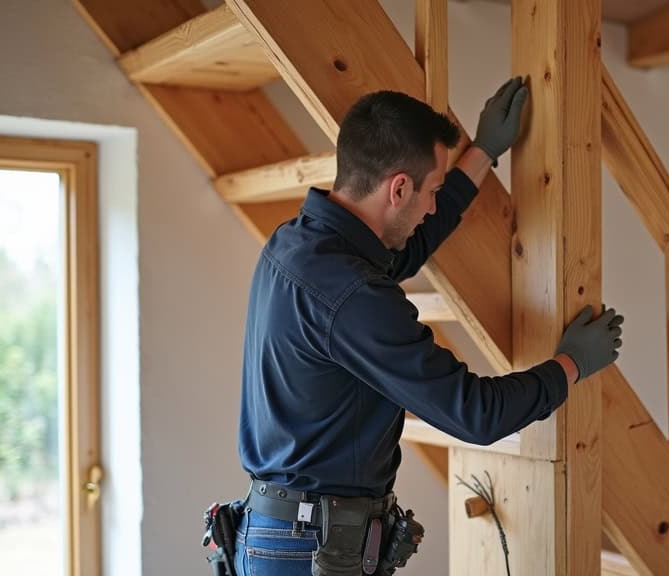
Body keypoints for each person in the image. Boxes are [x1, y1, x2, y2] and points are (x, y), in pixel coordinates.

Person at [233, 77, 624, 576]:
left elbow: (404, 250)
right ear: (399, 188)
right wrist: (571, 364)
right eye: (433, 192)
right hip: (308, 549)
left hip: (287, 534)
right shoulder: (353, 293)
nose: (434, 206)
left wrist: (482, 153)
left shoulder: (298, 244)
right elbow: (475, 413)